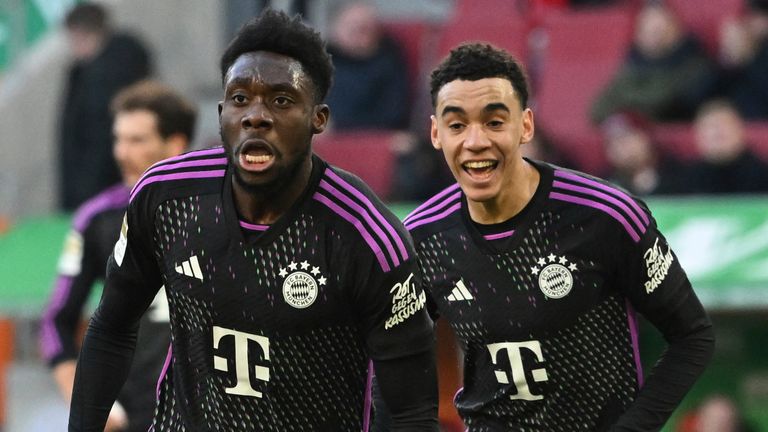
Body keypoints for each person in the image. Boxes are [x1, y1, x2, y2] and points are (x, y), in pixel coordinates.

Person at [68, 9, 438, 431]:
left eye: (281, 100)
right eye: (241, 99)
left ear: (319, 118)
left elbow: (411, 410)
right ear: (223, 112)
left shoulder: (366, 234)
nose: (255, 116)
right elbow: (110, 328)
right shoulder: (165, 197)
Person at [399, 43, 714, 430]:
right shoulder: (420, 237)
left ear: (525, 126)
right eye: (457, 125)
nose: (475, 141)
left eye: (495, 122)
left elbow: (692, 337)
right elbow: (391, 361)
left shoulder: (607, 215)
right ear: (435, 133)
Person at [40, 80, 197, 432]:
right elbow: (56, 321)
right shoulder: (95, 219)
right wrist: (83, 399)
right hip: (128, 417)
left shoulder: (213, 214)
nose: (121, 153)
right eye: (118, 139)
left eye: (136, 140)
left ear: (175, 144)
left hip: (203, 415)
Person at [59, 2, 152, 211]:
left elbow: (96, 144)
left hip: (99, 194)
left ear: (81, 35)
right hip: (124, 186)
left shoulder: (99, 79)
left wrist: (83, 198)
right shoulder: (122, 63)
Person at [590, 2, 716, 123]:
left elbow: (664, 105)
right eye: (646, 26)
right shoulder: (631, 66)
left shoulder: (695, 64)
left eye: (659, 27)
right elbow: (598, 110)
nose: (653, 33)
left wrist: (627, 105)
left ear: (676, 29)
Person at [324, 1, 411, 130]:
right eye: (356, 29)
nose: (365, 37)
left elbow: (392, 117)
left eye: (369, 29)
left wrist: (336, 125)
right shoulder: (319, 61)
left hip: (367, 137)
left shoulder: (387, 62)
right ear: (335, 30)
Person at [685, 99, 768, 194]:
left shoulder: (763, 176)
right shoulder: (685, 181)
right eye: (710, 127)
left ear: (740, 130)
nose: (716, 133)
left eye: (724, 126)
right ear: (697, 135)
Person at [600, 111, 688, 196]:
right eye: (611, 143)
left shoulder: (681, 176)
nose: (619, 148)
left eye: (625, 138)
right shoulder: (605, 186)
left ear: (647, 137)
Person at [713, 0, 768, 119]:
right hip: (736, 118)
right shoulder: (746, 38)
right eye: (752, 15)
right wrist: (728, 59)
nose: (755, 21)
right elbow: (716, 95)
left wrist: (750, 58)